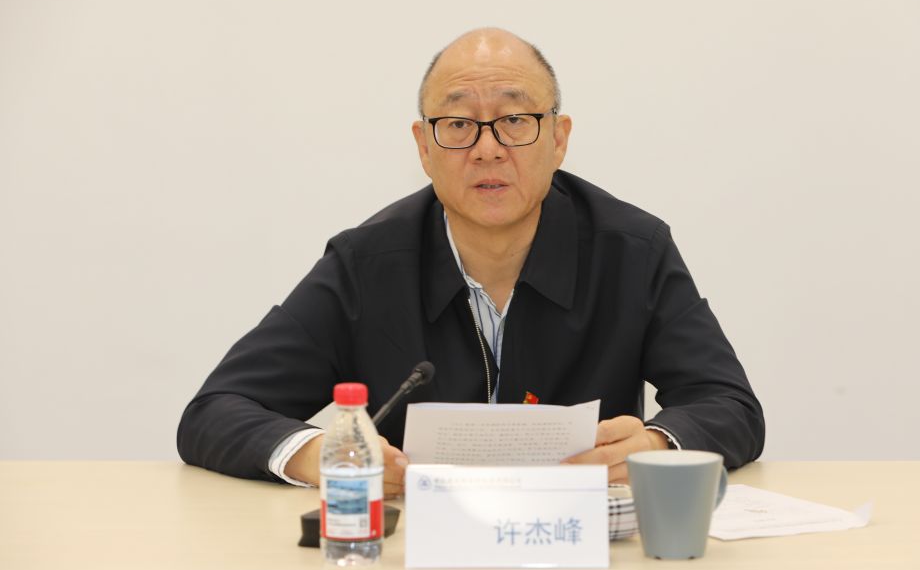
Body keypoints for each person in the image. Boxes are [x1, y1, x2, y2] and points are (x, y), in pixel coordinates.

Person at [177, 28, 765, 497]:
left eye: (515, 121)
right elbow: (216, 410)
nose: (488, 148)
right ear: (423, 146)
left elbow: (729, 405)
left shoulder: (632, 250)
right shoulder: (367, 263)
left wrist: (655, 445)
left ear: (559, 139)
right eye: (458, 124)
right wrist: (322, 455)